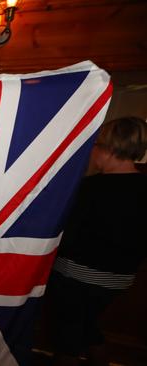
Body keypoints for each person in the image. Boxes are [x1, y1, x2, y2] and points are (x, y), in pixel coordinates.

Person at [46, 116, 147, 366]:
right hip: (119, 279)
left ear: (108, 149)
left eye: (95, 146)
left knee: (67, 339)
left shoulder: (91, 188)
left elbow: (67, 236)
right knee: (89, 329)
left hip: (76, 275)